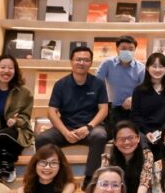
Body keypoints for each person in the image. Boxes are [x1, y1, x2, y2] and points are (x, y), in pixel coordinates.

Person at [37, 46, 110, 185]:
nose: (82, 63)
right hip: (66, 127)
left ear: (91, 63)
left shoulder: (98, 84)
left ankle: (90, 179)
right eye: (78, 59)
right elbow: (51, 112)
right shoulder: (60, 84)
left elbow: (104, 110)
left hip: (90, 128)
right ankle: (54, 176)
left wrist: (88, 127)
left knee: (100, 135)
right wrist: (65, 132)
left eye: (86, 60)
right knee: (42, 138)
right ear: (71, 61)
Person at [131, 52, 165, 153]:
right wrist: (147, 132)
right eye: (154, 66)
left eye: (161, 66)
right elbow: (135, 115)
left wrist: (161, 132)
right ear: (147, 68)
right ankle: (147, 161)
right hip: (143, 130)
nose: (157, 70)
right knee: (141, 141)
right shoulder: (138, 90)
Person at [96, 35, 144, 131]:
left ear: (135, 50)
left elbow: (145, 90)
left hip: (133, 108)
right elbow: (96, 82)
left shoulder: (141, 68)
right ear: (117, 49)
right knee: (114, 132)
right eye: (123, 48)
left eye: (131, 49)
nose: (127, 51)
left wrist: (134, 98)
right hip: (113, 108)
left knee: (134, 132)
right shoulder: (107, 63)